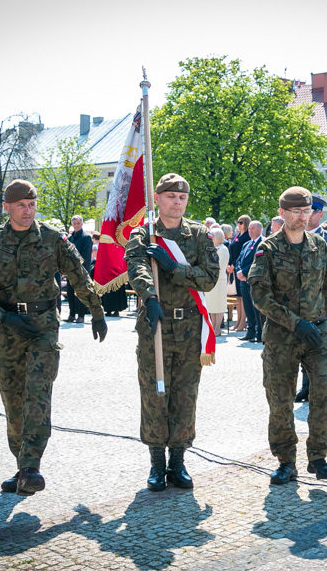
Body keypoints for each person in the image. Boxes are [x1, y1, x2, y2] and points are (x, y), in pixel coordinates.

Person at [0, 179, 108, 496]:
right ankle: (21, 468)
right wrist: (2, 316)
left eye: (32, 205)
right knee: (14, 404)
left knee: (37, 396)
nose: (27, 211)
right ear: (7, 207)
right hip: (7, 330)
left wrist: (96, 311)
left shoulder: (52, 238)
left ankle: (32, 467)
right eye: (20, 205)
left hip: (44, 328)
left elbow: (78, 275)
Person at [124, 173, 220, 492]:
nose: (177, 202)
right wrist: (149, 296)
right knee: (155, 394)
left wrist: (172, 268)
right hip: (156, 324)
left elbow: (209, 278)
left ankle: (177, 464)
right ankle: (156, 464)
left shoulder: (200, 235)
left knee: (185, 394)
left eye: (182, 198)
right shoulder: (144, 235)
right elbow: (136, 266)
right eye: (170, 197)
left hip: (190, 327)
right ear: (157, 199)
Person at [249, 186, 327, 484]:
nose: (302, 217)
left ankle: (319, 456)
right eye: (295, 212)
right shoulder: (268, 249)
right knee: (281, 398)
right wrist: (295, 323)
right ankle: (286, 460)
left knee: (323, 392)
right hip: (282, 336)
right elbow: (260, 296)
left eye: (306, 211)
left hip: (317, 333)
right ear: (282, 213)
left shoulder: (319, 245)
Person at [295, 196, 327, 402]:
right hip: (298, 309)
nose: (308, 216)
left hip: (319, 307)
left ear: (319, 214)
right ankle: (305, 387)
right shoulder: (293, 237)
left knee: (319, 353)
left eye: (312, 211)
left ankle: (314, 387)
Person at [236, 221, 264, 343]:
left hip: (255, 280)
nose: (250, 231)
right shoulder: (246, 244)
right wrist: (239, 271)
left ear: (259, 229)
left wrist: (245, 272)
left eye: (253, 228)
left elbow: (257, 261)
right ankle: (250, 331)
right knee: (247, 307)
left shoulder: (262, 243)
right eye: (249, 228)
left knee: (256, 308)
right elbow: (239, 259)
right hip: (243, 281)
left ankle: (260, 333)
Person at [66, 215, 94, 323]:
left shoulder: (86, 238)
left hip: (81, 270)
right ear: (72, 225)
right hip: (70, 271)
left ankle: (81, 315)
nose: (76, 225)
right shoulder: (69, 239)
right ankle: (72, 314)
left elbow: (85, 256)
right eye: (74, 223)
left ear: (82, 224)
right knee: (70, 292)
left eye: (78, 223)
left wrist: (74, 264)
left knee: (81, 293)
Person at [203, 226, 230, 335]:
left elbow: (220, 265)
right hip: (210, 279)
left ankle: (218, 327)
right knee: (211, 305)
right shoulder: (212, 248)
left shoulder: (223, 249)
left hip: (219, 280)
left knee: (218, 305)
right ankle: (213, 326)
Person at [228, 216, 251, 332]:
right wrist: (230, 264)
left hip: (240, 268)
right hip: (234, 267)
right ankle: (238, 321)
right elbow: (231, 250)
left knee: (243, 296)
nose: (238, 224)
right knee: (238, 296)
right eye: (237, 222)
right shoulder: (237, 235)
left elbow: (243, 253)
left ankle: (243, 321)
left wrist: (234, 265)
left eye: (240, 222)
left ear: (246, 223)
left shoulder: (247, 236)